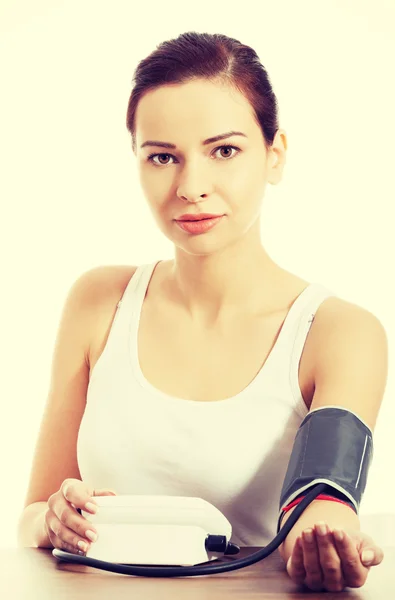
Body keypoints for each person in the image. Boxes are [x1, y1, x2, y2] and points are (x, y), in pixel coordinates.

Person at [17, 31, 386, 592]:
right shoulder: (98, 302)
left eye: (225, 151)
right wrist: (52, 519)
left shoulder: (337, 332)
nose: (191, 186)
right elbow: (31, 517)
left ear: (275, 155)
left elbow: (325, 498)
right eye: (162, 157)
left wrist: (327, 533)